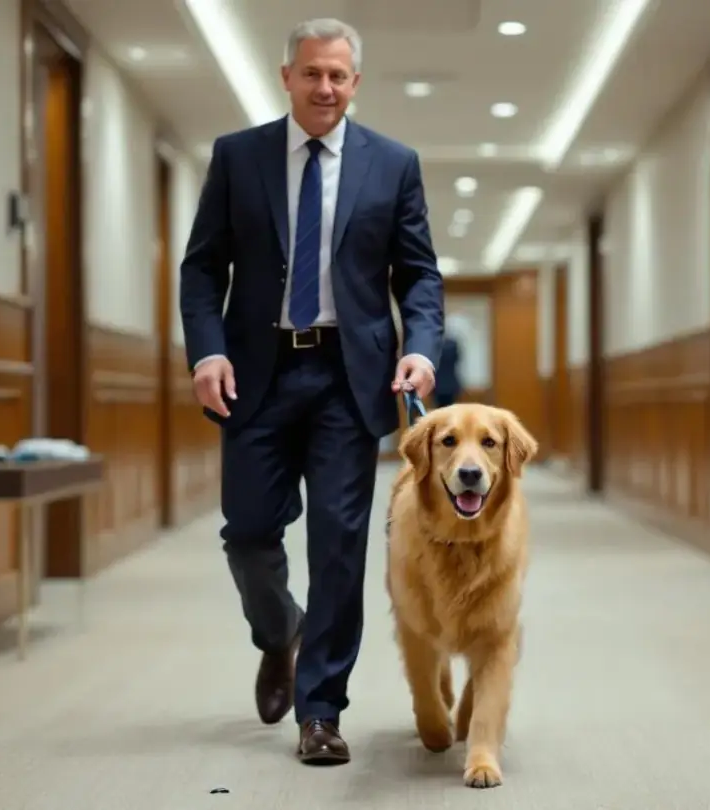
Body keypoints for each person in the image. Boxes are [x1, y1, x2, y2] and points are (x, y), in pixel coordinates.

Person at [178, 18, 444, 765]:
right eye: (312, 74)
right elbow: (203, 269)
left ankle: (320, 709)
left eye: (338, 76)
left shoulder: (392, 165)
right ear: (287, 76)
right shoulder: (240, 157)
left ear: (355, 83)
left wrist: (421, 349)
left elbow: (418, 274)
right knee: (250, 533)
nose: (325, 88)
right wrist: (206, 352)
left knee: (338, 545)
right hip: (255, 375)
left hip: (347, 378)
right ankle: (279, 632)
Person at [433, 332, 462, 408]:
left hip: (437, 384)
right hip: (451, 384)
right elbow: (457, 359)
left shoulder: (435, 345)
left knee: (439, 410)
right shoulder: (453, 344)